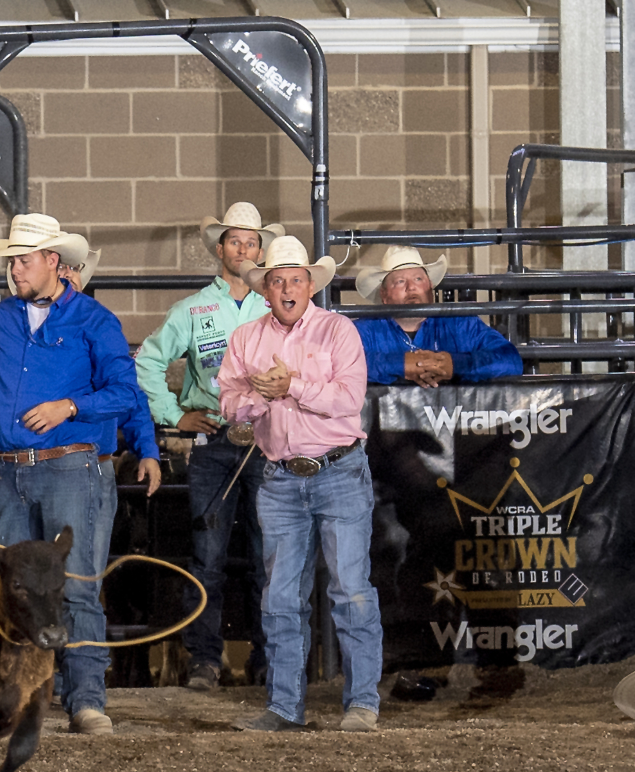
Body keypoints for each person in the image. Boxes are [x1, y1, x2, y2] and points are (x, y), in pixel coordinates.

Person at [0, 213, 142, 735]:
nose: (14, 269)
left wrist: (69, 406)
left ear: (53, 263)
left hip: (71, 466)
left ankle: (86, 697)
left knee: (79, 584)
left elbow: (126, 393)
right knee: (6, 589)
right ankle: (12, 697)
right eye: (12, 261)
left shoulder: (94, 320)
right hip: (7, 470)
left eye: (22, 260)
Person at [217, 236, 383, 732]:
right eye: (277, 280)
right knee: (282, 597)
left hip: (337, 471)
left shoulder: (338, 331)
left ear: (310, 285)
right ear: (265, 289)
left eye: (294, 279)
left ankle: (361, 702)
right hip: (281, 476)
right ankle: (286, 706)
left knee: (349, 589)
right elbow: (228, 403)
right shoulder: (246, 338)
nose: (287, 288)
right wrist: (259, 399)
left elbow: (348, 399)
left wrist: (289, 387)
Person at [134, 202, 283, 690]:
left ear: (260, 250)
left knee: (270, 556)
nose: (243, 249)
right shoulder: (194, 309)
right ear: (220, 249)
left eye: (251, 242)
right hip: (215, 439)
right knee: (208, 555)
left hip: (269, 442)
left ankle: (268, 657)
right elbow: (148, 363)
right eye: (235, 241)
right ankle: (205, 658)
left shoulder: (276, 303)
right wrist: (175, 415)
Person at [354, 246, 523, 386]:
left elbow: (510, 360)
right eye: (399, 282)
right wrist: (403, 364)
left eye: (418, 279)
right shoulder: (363, 330)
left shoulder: (460, 322)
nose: (411, 287)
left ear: (430, 286)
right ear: (384, 294)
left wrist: (454, 364)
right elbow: (338, 366)